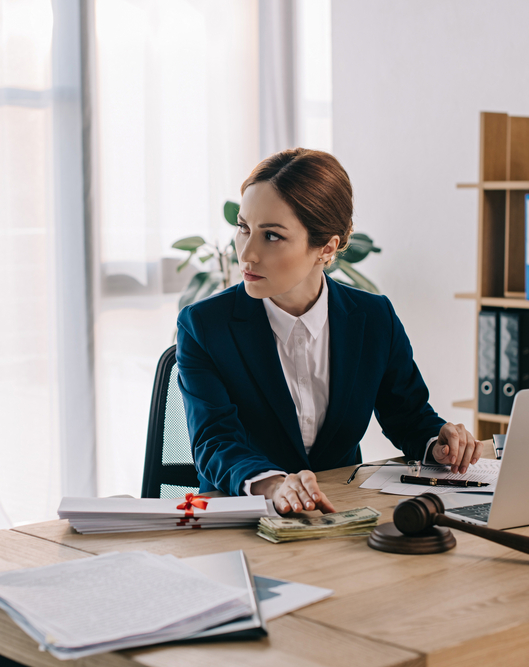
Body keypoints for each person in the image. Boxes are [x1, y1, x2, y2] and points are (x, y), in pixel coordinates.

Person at [176, 148, 479, 515]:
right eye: (244, 228)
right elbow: (215, 442)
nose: (247, 254)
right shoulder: (204, 325)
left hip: (340, 517)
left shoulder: (373, 317)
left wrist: (438, 442)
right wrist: (273, 485)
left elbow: (409, 417)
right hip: (245, 519)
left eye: (271, 236)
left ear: (326, 247)